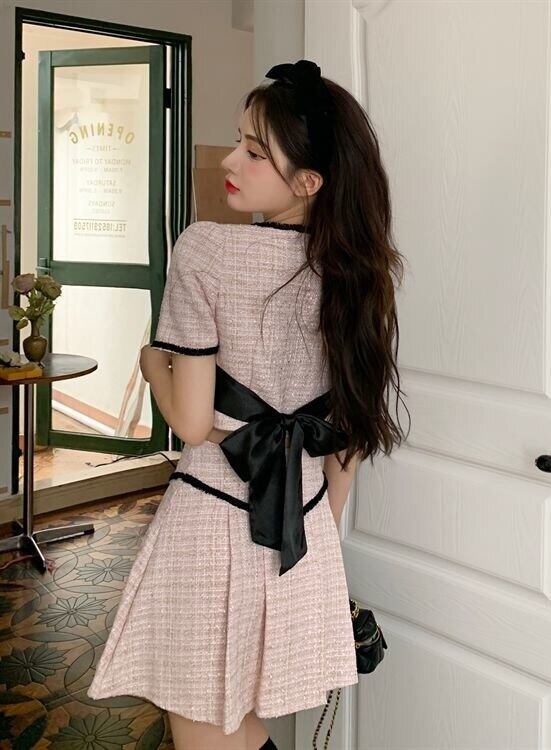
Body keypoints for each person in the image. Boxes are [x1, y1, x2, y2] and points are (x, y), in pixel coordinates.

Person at [86, 59, 410, 750]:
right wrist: (318, 540)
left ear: (309, 181)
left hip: (211, 521)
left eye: (255, 152)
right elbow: (348, 438)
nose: (231, 161)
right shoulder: (361, 272)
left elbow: (191, 421)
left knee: (203, 717)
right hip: (303, 529)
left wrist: (151, 364)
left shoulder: (205, 249)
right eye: (239, 140)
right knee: (233, 717)